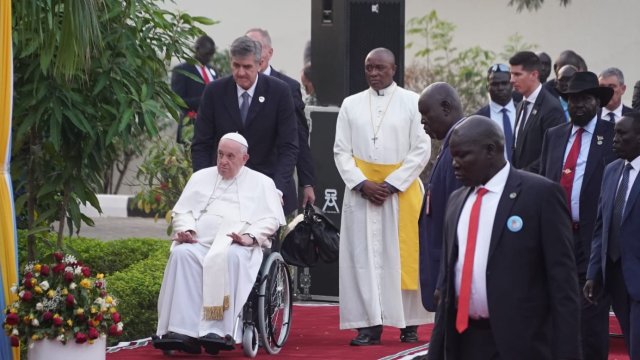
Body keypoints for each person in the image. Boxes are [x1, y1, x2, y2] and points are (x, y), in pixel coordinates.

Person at [428, 115, 580, 360]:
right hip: (464, 340)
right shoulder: (456, 201)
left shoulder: (540, 196)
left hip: (521, 344)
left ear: (491, 151)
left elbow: (563, 287)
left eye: (462, 155)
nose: (454, 164)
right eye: (452, 156)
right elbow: (448, 285)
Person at [154, 133, 286, 355]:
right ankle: (182, 330)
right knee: (182, 254)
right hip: (200, 242)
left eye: (230, 156)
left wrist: (249, 237)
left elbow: (271, 219)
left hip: (235, 245)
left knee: (231, 257)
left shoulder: (262, 183)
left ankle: (219, 331)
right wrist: (187, 231)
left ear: (244, 159)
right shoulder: (200, 178)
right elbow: (183, 210)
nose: (223, 161)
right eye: (220, 154)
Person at [334, 47, 431, 346]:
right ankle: (369, 324)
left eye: (380, 68)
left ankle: (409, 324)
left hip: (399, 193)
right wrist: (363, 184)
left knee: (401, 257)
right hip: (362, 194)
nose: (374, 73)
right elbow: (341, 150)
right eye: (368, 68)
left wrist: (390, 184)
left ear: (394, 69)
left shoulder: (413, 102)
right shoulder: (350, 105)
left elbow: (422, 148)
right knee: (364, 259)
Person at [539, 71, 615, 360]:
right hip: (558, 236)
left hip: (592, 238)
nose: (578, 105)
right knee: (559, 308)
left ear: (597, 101)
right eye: (572, 100)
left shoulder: (612, 136)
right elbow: (546, 181)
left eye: (585, 99)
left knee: (592, 312)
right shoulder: (554, 136)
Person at [191, 36, 299, 215]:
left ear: (260, 64)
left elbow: (289, 146)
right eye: (236, 66)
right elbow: (201, 144)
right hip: (221, 189)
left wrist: (277, 189)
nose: (241, 72)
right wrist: (205, 185)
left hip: (266, 188)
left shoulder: (279, 92)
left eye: (247, 66)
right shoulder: (214, 92)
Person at [585, 111, 640, 359]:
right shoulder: (611, 170)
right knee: (630, 342)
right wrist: (593, 272)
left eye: (621, 134)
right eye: (614, 133)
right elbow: (601, 227)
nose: (614, 140)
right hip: (615, 277)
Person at [245, 28, 316, 208]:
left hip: (275, 179)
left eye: (257, 47)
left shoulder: (287, 87)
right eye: (247, 46)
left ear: (270, 52)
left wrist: (307, 183)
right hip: (240, 179)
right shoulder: (232, 85)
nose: (252, 52)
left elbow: (299, 135)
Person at [417, 82, 463, 312]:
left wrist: (443, 280)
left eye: (426, 114)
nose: (422, 121)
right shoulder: (449, 146)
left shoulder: (460, 151)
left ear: (445, 107)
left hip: (450, 276)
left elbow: (457, 222)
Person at [509, 51, 565, 173]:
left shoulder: (551, 108)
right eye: (511, 74)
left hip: (538, 184)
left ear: (534, 75)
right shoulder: (520, 105)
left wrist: (523, 174)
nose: (512, 80)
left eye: (517, 74)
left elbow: (552, 154)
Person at [171, 35, 217, 143]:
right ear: (197, 49)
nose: (209, 58)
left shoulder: (212, 70)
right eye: (206, 54)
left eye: (211, 55)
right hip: (191, 128)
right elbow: (177, 101)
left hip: (213, 130)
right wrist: (203, 101)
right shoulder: (182, 70)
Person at [475, 63, 518, 161]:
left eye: (504, 83)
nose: (500, 88)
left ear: (512, 85)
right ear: (487, 87)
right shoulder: (479, 119)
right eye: (495, 84)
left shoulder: (525, 111)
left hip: (524, 174)